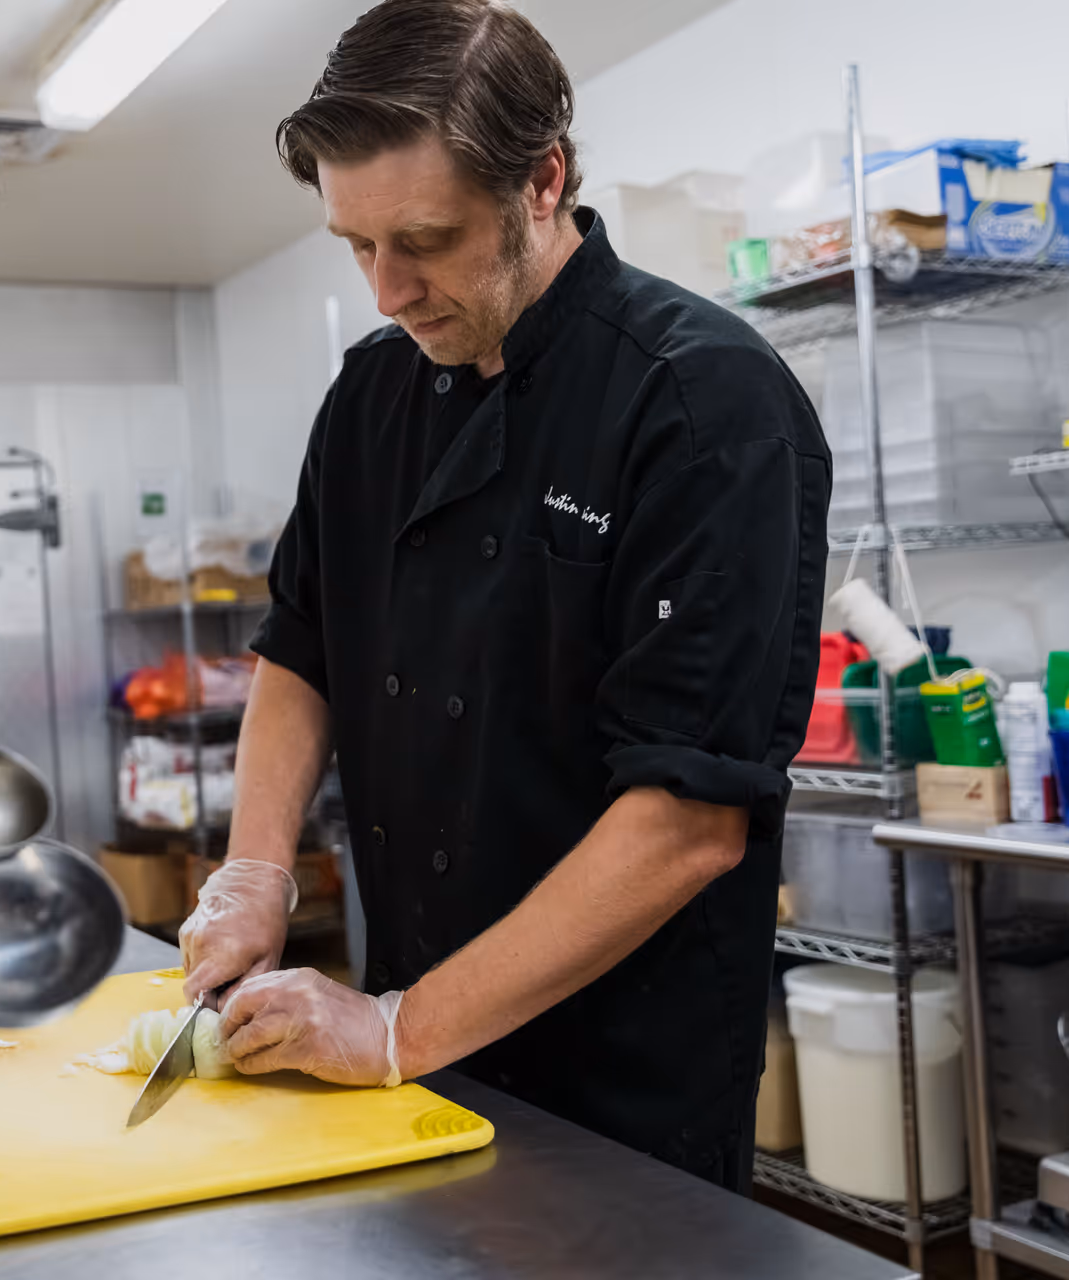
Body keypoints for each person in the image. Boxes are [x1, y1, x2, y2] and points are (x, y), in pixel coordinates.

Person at [181, 0, 830, 1192]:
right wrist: (256, 871)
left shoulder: (703, 405)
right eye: (355, 244)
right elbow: (301, 645)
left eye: (423, 240)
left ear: (544, 181)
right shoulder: (371, 395)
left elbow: (686, 820)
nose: (387, 289)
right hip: (413, 1051)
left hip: (621, 1085)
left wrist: (393, 1030)